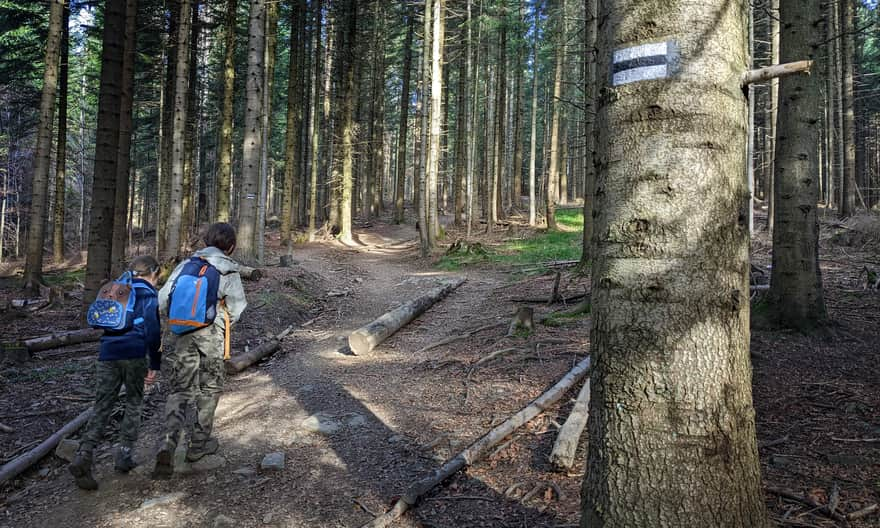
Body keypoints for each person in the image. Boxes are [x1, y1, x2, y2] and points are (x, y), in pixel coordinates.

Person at [153, 222, 247, 478]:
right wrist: (219, 320)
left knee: (180, 389)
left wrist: (176, 320)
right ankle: (198, 445)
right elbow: (238, 307)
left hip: (181, 334)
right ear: (231, 245)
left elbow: (162, 300)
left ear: (205, 241)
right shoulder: (228, 268)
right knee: (210, 387)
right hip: (211, 335)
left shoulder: (186, 265)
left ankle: (168, 444)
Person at [68, 255, 162, 490]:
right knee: (133, 402)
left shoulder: (118, 288)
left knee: (102, 405)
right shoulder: (148, 294)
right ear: (153, 273)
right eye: (158, 276)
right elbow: (152, 332)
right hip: (134, 354)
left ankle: (84, 454)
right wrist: (155, 364)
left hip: (107, 353)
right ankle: (124, 455)